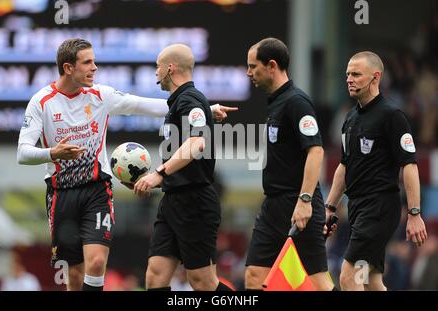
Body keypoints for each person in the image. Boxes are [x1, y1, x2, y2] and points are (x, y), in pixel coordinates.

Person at [16, 38, 235, 291]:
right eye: (88, 62)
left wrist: (206, 108)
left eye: (94, 61)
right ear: (68, 68)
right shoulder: (41, 101)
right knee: (77, 277)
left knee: (97, 263)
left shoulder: (101, 95)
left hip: (96, 190)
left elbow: (144, 105)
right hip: (60, 194)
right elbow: (23, 153)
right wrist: (53, 153)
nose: (95, 68)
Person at [133, 43, 234, 291]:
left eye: (158, 67)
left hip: (195, 201)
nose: (155, 72)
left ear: (170, 68)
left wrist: (158, 173)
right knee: (155, 278)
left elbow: (197, 142)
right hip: (172, 200)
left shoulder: (190, 98)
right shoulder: (180, 102)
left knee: (203, 282)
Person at [325, 51, 428, 291]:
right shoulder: (349, 117)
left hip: (379, 208)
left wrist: (414, 213)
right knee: (371, 281)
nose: (349, 79)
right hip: (359, 208)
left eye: (356, 74)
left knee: (348, 277)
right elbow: (344, 165)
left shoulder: (392, 115)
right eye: (348, 74)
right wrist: (330, 207)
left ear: (375, 77)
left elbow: (409, 165)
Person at [244, 38, 334, 291]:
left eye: (253, 66)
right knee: (254, 277)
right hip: (273, 205)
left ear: (271, 65)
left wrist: (304, 201)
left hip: (299, 204)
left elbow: (316, 151)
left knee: (318, 282)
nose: (249, 72)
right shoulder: (276, 102)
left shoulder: (297, 102)